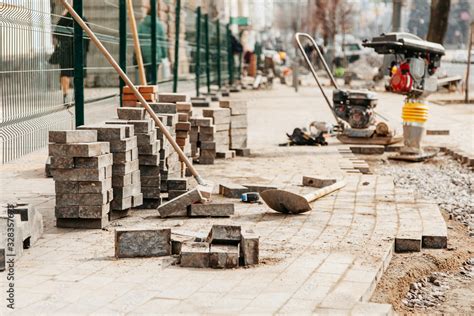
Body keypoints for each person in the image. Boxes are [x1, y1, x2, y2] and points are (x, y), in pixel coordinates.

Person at [49, 7, 89, 104]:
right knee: (79, 73)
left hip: (65, 51)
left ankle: (66, 95)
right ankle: (77, 94)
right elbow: (88, 36)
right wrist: (85, 50)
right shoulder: (83, 19)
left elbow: (56, 34)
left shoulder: (63, 19)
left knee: (65, 73)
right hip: (79, 51)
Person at [137, 8, 168, 83]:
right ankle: (153, 87)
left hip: (144, 51)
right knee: (154, 71)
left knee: (147, 69)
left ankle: (148, 86)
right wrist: (164, 54)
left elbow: (138, 38)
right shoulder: (159, 25)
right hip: (156, 51)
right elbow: (162, 40)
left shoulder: (141, 24)